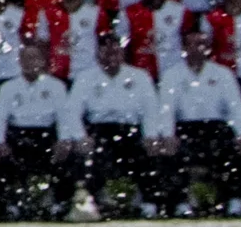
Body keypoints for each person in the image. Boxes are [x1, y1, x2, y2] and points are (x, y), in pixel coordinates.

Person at [70, 29, 175, 215]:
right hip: (99, 129)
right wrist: (80, 137)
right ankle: (97, 200)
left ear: (123, 53)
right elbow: (72, 111)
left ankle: (149, 202)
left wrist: (151, 135)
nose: (111, 56)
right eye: (106, 51)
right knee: (91, 155)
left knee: (150, 152)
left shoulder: (140, 76)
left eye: (115, 51)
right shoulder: (85, 78)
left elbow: (151, 110)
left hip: (131, 129)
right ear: (97, 53)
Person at [0, 50, 82, 215]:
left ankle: (59, 202)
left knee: (69, 156)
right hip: (18, 135)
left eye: (34, 58)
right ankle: (9, 204)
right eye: (26, 59)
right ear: (20, 62)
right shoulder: (8, 88)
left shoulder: (56, 86)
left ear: (42, 61)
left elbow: (64, 116)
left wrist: (64, 140)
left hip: (46, 135)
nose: (30, 63)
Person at [167, 40, 241, 215]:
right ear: (184, 48)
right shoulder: (172, 74)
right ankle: (181, 204)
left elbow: (236, 107)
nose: (196, 49)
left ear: (207, 48)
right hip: (185, 128)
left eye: (200, 45)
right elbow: (166, 108)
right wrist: (168, 134)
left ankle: (235, 202)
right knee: (171, 155)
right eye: (191, 44)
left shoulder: (223, 73)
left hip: (216, 127)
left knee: (237, 154)